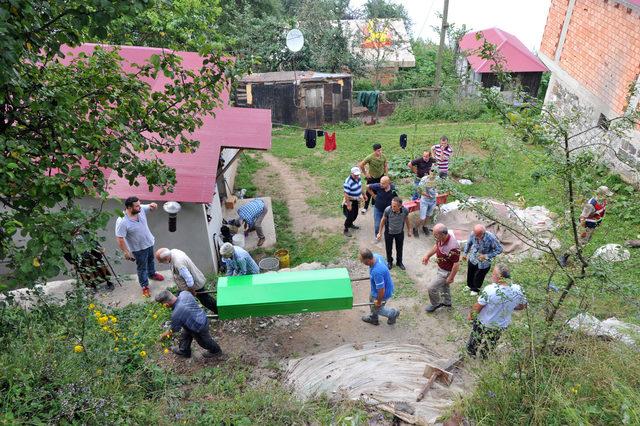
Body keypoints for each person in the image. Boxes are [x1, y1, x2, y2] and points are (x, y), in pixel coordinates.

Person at [466, 264, 527, 358]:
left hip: (484, 322)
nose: (491, 275)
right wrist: (509, 307)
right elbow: (522, 306)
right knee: (491, 343)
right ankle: (484, 357)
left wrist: (470, 316)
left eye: (493, 273)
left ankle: (471, 354)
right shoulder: (518, 289)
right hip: (501, 325)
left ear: (499, 277)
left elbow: (478, 307)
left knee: (475, 339)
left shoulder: (490, 290)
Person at [115, 196, 164, 298]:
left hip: (149, 242)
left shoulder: (139, 209)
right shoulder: (122, 221)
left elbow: (150, 207)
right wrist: (126, 251)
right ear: (129, 207)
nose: (140, 207)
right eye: (137, 206)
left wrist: (153, 206)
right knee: (142, 268)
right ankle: (144, 286)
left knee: (151, 260)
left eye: (139, 204)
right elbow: (120, 238)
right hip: (138, 249)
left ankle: (152, 274)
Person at [156, 290, 223, 359]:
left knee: (204, 342)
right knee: (185, 333)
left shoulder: (176, 314)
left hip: (199, 327)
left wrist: (162, 336)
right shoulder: (184, 294)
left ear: (166, 304)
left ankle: (216, 351)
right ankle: (184, 351)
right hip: (201, 317)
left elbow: (173, 330)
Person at [560, 185, 613, 266]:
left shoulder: (603, 201)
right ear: (600, 194)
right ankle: (564, 256)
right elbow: (582, 217)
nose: (607, 197)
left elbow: (601, 212)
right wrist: (582, 230)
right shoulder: (591, 205)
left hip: (593, 226)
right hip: (586, 226)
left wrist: (599, 222)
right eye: (606, 195)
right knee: (580, 243)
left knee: (585, 241)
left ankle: (578, 255)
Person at [155, 248, 218, 313]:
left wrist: (192, 291)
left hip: (194, 285)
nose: (159, 262)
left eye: (161, 261)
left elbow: (189, 280)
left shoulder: (178, 263)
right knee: (203, 298)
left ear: (166, 259)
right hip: (188, 283)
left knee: (205, 300)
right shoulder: (173, 251)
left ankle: (219, 311)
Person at [422, 223, 461, 313]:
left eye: (436, 235)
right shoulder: (442, 238)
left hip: (445, 271)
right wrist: (428, 255)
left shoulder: (453, 247)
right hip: (442, 267)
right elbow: (437, 246)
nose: (434, 237)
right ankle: (447, 302)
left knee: (431, 288)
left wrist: (451, 277)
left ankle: (435, 304)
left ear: (443, 234)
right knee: (444, 286)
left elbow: (456, 264)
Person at [359, 248, 400, 326]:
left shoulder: (377, 272)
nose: (364, 264)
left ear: (368, 260)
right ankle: (374, 318)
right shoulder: (376, 256)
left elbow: (381, 290)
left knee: (378, 308)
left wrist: (378, 301)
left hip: (382, 293)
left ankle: (393, 313)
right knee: (372, 302)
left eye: (364, 262)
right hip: (379, 289)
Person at [462, 224, 503, 296]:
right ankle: (469, 285)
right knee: (470, 272)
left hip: (484, 261)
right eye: (475, 235)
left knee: (479, 275)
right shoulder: (473, 234)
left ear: (483, 233)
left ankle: (475, 289)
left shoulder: (491, 238)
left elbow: (499, 249)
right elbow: (468, 243)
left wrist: (486, 256)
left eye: (478, 235)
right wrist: (465, 253)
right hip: (473, 257)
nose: (476, 237)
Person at [376, 197, 411, 270]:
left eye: (394, 206)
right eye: (392, 205)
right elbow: (383, 220)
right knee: (388, 248)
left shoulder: (405, 210)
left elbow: (407, 219)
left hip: (400, 232)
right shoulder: (388, 210)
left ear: (400, 206)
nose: (392, 207)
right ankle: (389, 262)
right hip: (389, 233)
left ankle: (399, 262)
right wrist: (380, 232)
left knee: (399, 248)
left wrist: (409, 230)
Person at [359, 143, 388, 214]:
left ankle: (374, 204)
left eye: (381, 150)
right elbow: (361, 164)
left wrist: (386, 175)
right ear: (374, 151)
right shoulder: (370, 157)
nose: (380, 152)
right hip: (372, 177)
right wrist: (365, 174)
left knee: (378, 190)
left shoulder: (383, 156)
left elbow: (386, 165)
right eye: (378, 151)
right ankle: (365, 207)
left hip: (380, 177)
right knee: (368, 191)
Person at [343, 166, 367, 237]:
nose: (357, 176)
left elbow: (360, 187)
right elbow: (346, 194)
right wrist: (348, 205)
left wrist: (364, 194)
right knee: (350, 216)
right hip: (350, 201)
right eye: (355, 175)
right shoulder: (348, 182)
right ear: (351, 173)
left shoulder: (358, 178)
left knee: (355, 214)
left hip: (356, 200)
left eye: (358, 174)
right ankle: (346, 229)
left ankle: (351, 224)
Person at [415, 172, 437, 237]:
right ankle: (415, 229)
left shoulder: (437, 179)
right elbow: (419, 190)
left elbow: (438, 188)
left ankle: (424, 227)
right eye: (432, 171)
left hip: (433, 201)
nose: (433, 174)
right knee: (422, 218)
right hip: (425, 201)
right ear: (429, 171)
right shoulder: (424, 179)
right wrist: (428, 195)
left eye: (435, 172)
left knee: (428, 215)